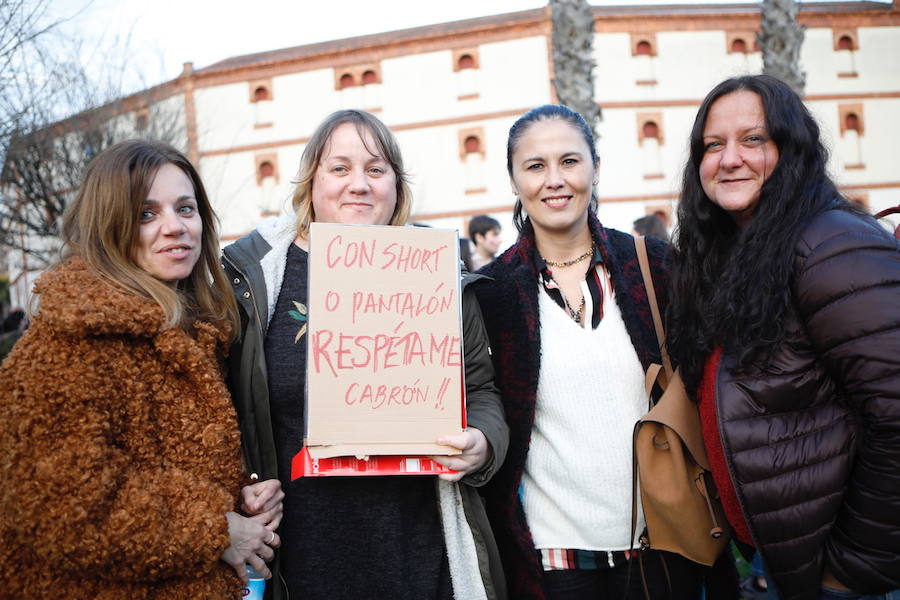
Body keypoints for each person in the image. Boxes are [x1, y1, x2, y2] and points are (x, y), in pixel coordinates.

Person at [223, 109, 508, 600]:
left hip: (423, 552)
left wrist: (483, 442)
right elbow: (225, 408)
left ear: (396, 186)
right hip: (305, 559)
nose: (359, 184)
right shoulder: (256, 276)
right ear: (312, 181)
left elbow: (481, 389)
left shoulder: (434, 269)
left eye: (376, 170)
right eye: (340, 168)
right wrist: (236, 488)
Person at [0, 140, 284, 599]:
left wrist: (241, 494)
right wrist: (217, 528)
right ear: (109, 225)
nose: (175, 227)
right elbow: (63, 507)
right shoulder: (69, 343)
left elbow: (171, 464)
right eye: (146, 214)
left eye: (185, 208)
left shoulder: (196, 331)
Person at [666, 75, 900, 600]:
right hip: (781, 561)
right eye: (712, 145)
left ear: (791, 150)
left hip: (839, 575)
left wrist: (849, 570)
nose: (729, 159)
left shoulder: (833, 245)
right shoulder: (736, 254)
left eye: (753, 140)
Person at [472, 104, 708, 599]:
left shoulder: (655, 267)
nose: (554, 180)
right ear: (514, 181)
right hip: (552, 560)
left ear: (595, 168)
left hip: (660, 545)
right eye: (535, 166)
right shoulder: (490, 293)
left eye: (570, 161)